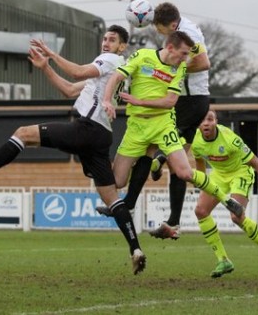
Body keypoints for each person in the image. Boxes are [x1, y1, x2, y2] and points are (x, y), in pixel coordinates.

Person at [0, 25, 147, 275]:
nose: (106, 43)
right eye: (105, 39)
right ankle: (136, 250)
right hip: (100, 135)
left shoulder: (109, 60)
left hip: (87, 129)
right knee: (111, 197)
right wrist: (45, 68)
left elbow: (76, 72)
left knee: (23, 133)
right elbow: (68, 89)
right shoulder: (107, 72)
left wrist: (52, 54)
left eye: (113, 39)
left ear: (122, 47)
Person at [97, 2, 212, 240]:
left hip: (191, 100)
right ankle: (173, 222)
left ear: (171, 25)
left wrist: (175, 66)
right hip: (189, 101)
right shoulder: (165, 45)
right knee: (172, 164)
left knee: (163, 157)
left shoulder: (186, 38)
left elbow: (204, 62)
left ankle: (140, 190)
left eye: (160, 30)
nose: (159, 34)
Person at [101, 30, 243, 221]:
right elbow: (116, 77)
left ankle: (226, 200)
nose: (186, 59)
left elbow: (170, 102)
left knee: (183, 172)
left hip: (164, 125)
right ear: (170, 48)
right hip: (136, 127)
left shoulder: (179, 68)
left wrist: (139, 101)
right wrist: (107, 101)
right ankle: (127, 202)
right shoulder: (143, 56)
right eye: (184, 53)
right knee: (117, 181)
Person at [192, 110, 258, 279]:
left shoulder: (231, 139)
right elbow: (200, 162)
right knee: (201, 211)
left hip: (240, 173)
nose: (206, 123)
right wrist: (201, 184)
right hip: (218, 174)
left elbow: (257, 164)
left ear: (216, 121)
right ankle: (223, 260)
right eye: (202, 120)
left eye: (210, 119)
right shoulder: (195, 139)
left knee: (236, 217)